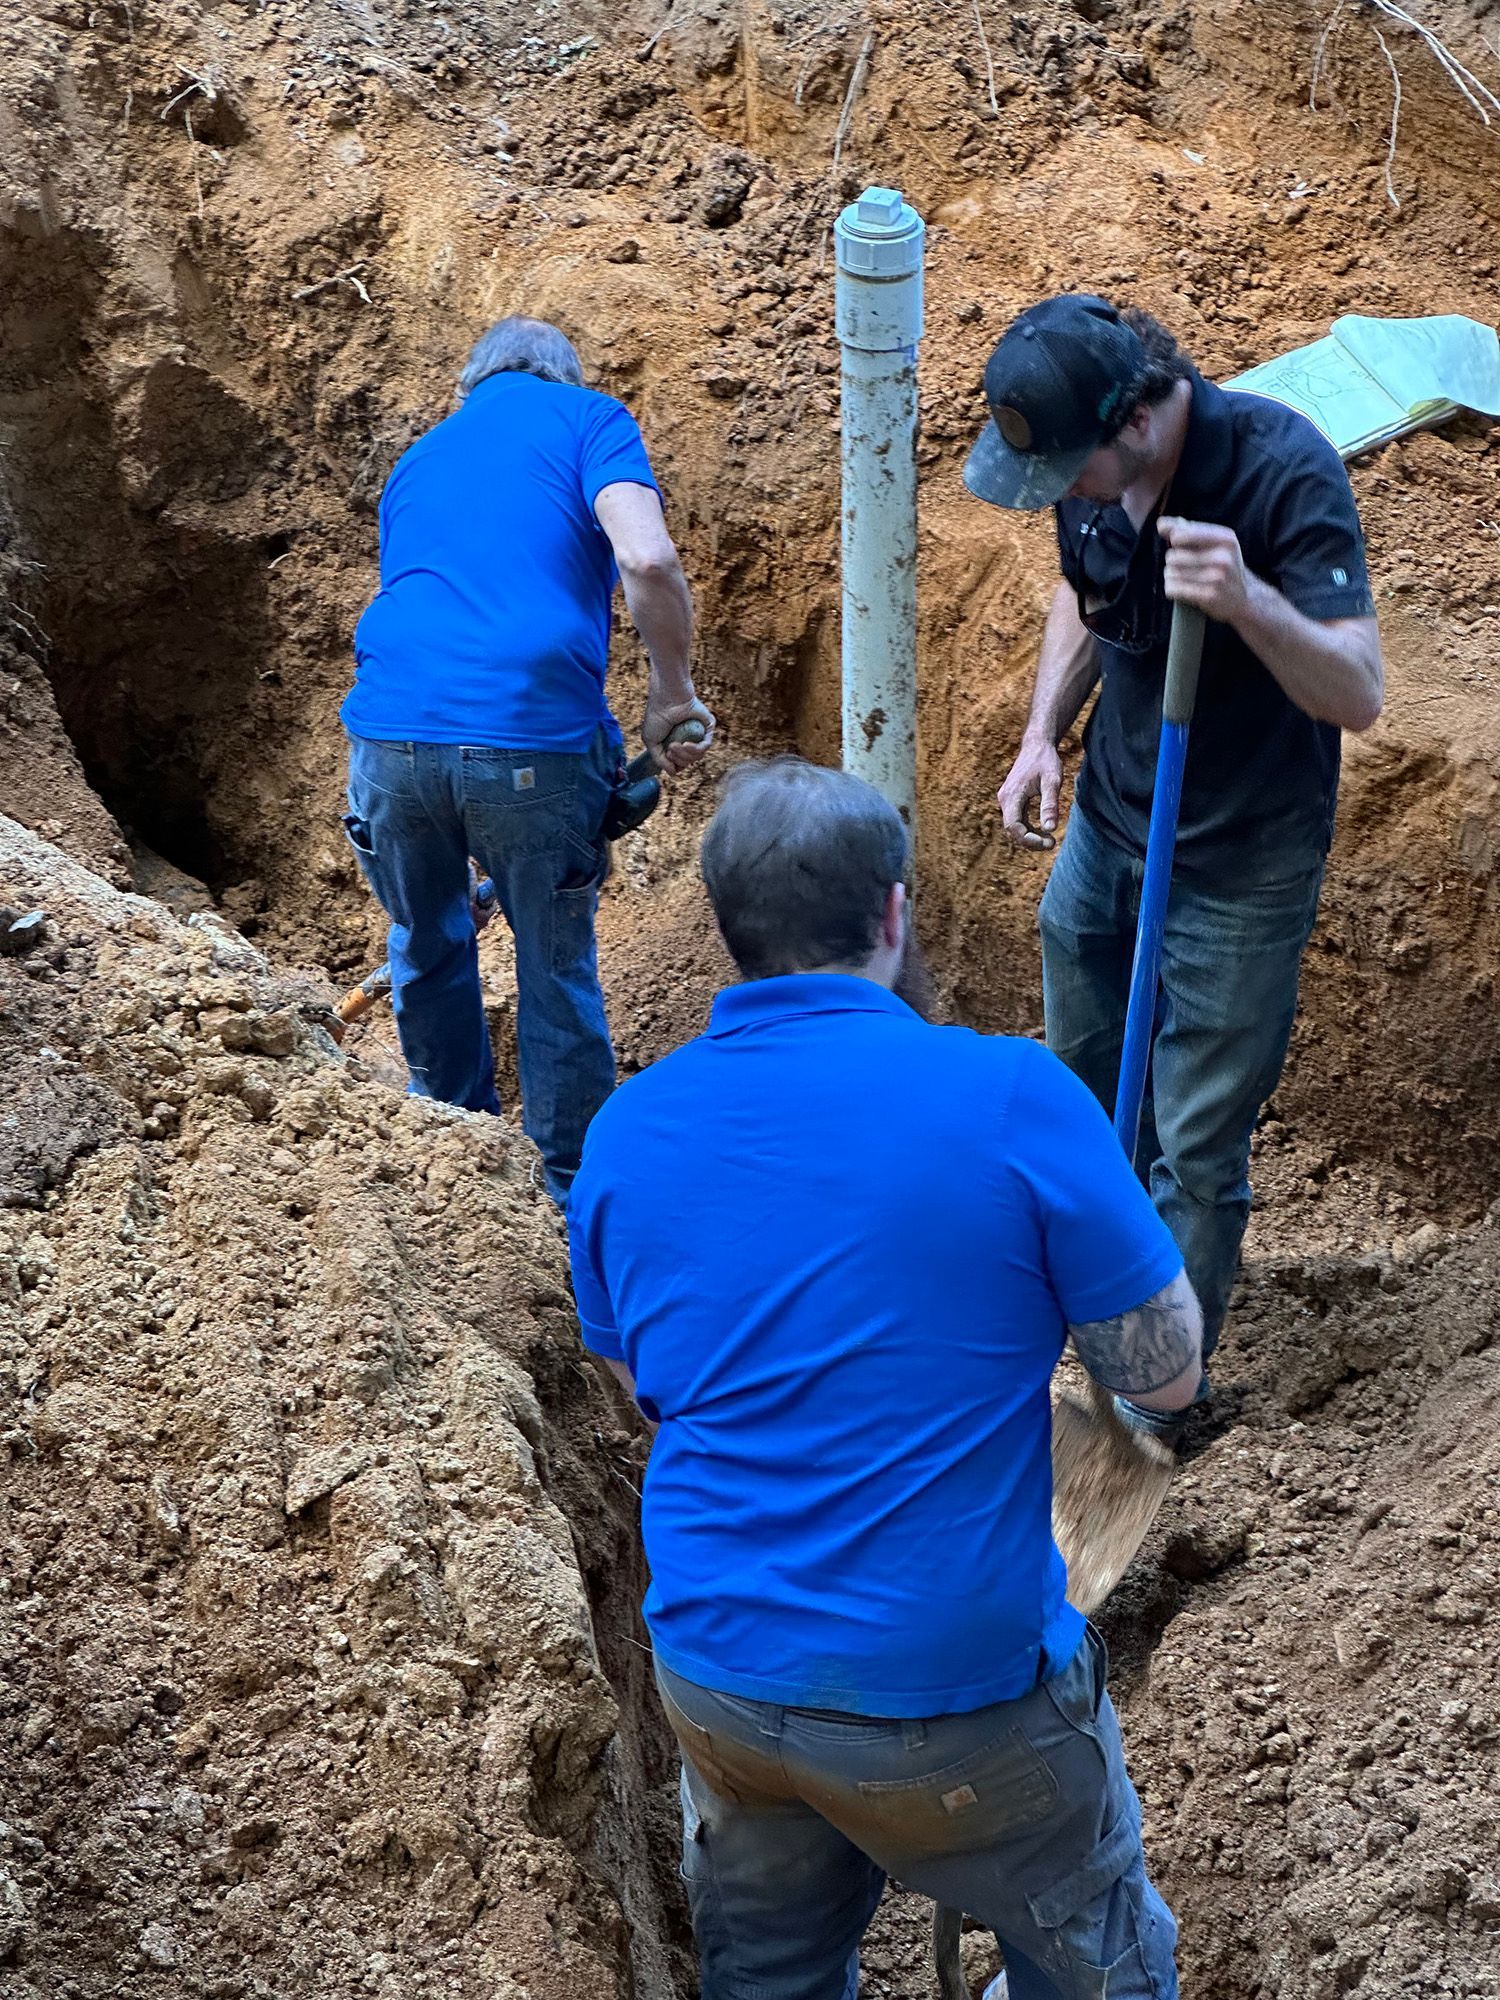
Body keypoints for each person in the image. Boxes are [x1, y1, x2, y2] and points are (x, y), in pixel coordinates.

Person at [569, 757, 1203, 2000]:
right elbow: (1166, 1375)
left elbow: (646, 1376)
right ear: (896, 912)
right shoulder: (1012, 1094)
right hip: (962, 1702)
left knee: (771, 1979)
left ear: (729, 928)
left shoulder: (626, 1130)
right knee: (1099, 1965)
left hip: (721, 1682)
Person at [967, 295, 1383, 1439]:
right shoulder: (1091, 489)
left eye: (1068, 467)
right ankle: (1096, 1293)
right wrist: (1042, 730)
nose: (1057, 493)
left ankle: (1155, 1400)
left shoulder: (1282, 471)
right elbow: (1083, 590)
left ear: (1139, 424)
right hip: (1113, 826)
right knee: (1088, 1088)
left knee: (1193, 1145)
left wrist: (1248, 601)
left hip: (1239, 866)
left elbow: (1359, 690)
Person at [340, 315, 714, 1204]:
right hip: (531, 746)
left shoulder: (420, 456)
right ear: (562, 376)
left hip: (389, 743)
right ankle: (569, 1197)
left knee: (428, 941)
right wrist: (671, 691)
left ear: (470, 388)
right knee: (553, 969)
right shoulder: (589, 418)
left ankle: (454, 1160)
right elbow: (648, 556)